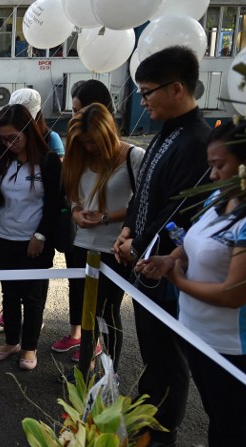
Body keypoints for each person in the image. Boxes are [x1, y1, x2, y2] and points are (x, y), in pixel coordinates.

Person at [136, 121, 246, 447]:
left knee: (232, 427)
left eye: (219, 165)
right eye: (211, 165)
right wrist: (169, 259)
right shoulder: (221, 195)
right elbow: (192, 238)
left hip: (233, 344)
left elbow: (234, 294)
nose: (212, 174)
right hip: (198, 331)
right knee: (218, 418)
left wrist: (178, 281)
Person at [112, 46, 212, 447]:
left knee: (168, 350)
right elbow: (144, 194)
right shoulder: (165, 133)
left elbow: (180, 209)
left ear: (176, 88)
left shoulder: (198, 142)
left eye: (149, 91)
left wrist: (139, 243)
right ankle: (147, 412)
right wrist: (125, 230)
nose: (144, 99)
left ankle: (164, 427)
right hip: (141, 256)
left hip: (165, 264)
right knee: (151, 344)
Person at [61, 103, 144, 369]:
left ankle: (111, 374)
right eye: (84, 142)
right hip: (82, 245)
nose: (89, 147)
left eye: (94, 141)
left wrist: (106, 217)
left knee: (108, 314)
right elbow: (73, 197)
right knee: (86, 314)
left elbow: (142, 204)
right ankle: (85, 368)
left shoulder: (133, 156)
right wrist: (76, 214)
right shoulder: (79, 156)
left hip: (115, 249)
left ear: (108, 133)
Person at [0, 103, 62, 371]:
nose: (9, 143)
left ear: (30, 132)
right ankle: (12, 340)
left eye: (14, 137)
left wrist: (41, 235)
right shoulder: (1, 159)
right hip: (4, 236)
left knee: (34, 295)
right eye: (4, 138)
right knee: (10, 293)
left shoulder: (48, 161)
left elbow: (53, 204)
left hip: (35, 240)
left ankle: (29, 347)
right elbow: (1, 201)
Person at [52, 79, 116, 355]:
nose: (75, 116)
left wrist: (104, 218)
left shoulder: (126, 155)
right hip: (79, 236)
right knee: (77, 285)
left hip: (110, 244)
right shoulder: (76, 149)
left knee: (105, 302)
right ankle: (77, 335)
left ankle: (97, 349)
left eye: (78, 109)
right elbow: (71, 192)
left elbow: (136, 204)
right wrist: (76, 211)